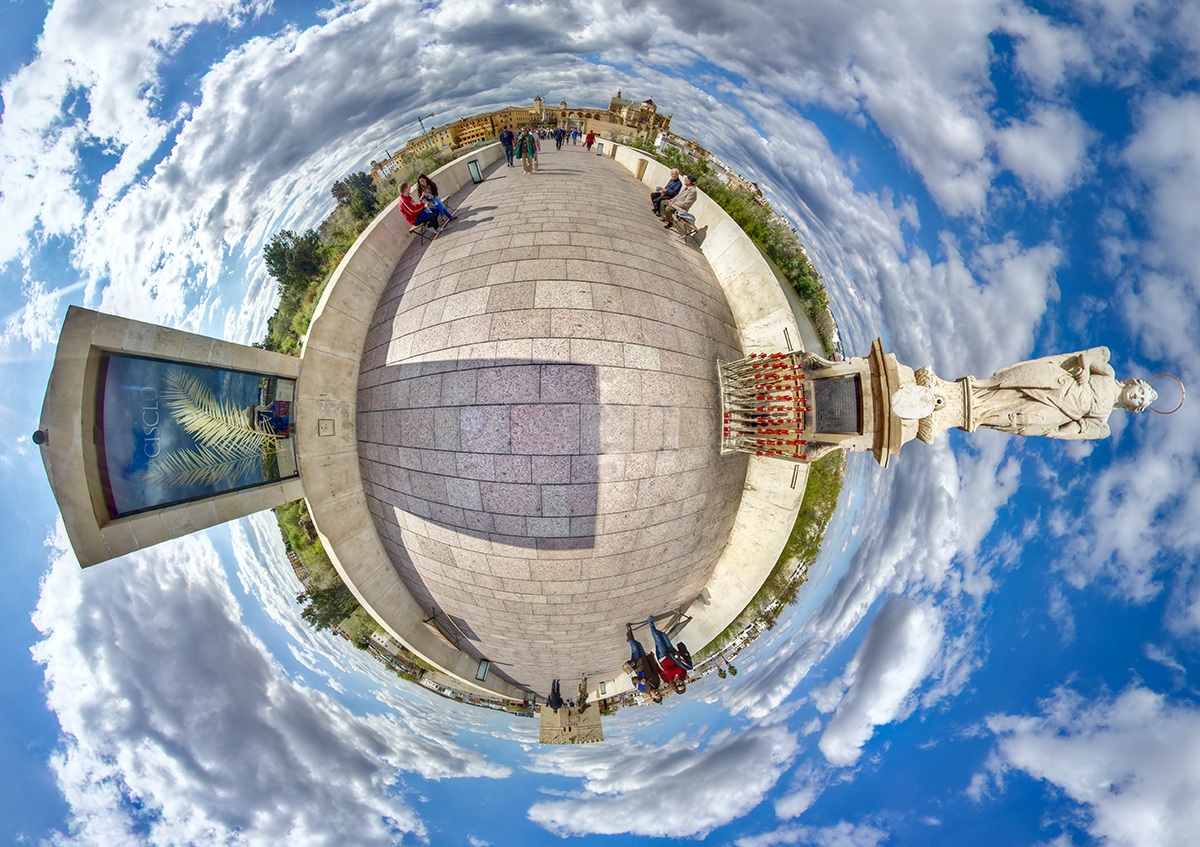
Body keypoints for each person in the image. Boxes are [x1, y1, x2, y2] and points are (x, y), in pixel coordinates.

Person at [967, 347, 1157, 439]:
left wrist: (1062, 431)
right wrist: (1085, 369)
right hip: (1062, 382)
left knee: (1023, 420)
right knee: (1018, 378)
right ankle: (979, 386)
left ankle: (979, 417)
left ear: (1134, 408)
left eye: (1140, 400)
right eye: (1140, 392)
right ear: (1134, 383)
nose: (1137, 396)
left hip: (1061, 410)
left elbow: (1080, 427)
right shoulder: (1109, 374)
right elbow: (1086, 358)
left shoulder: (1102, 419)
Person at [647, 617, 688, 694]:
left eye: (678, 685)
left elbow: (660, 671)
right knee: (663, 635)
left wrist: (653, 660)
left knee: (657, 638)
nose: (680, 683)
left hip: (662, 657)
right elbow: (683, 663)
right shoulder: (683, 674)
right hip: (672, 653)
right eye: (682, 684)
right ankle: (654, 629)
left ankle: (650, 623)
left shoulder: (668, 680)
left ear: (675, 686)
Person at [626, 626, 663, 703]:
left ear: (652, 698)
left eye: (656, 694)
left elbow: (633, 680)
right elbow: (654, 669)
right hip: (645, 659)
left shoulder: (643, 689)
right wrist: (651, 658)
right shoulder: (657, 682)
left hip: (637, 664)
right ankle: (630, 639)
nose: (656, 692)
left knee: (634, 647)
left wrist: (640, 681)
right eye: (658, 693)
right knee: (638, 644)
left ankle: (629, 631)